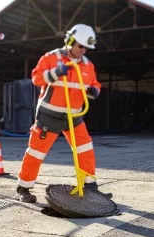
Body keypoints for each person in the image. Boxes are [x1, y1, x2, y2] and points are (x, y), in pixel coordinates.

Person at [16, 24, 112, 203]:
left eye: (86, 48)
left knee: (85, 148)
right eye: (80, 46)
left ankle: (89, 186)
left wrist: (95, 91)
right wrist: (55, 73)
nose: (83, 50)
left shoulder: (88, 65)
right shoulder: (52, 58)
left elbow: (95, 84)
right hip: (49, 114)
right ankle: (24, 187)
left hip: (74, 116)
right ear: (70, 41)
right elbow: (37, 79)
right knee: (37, 152)